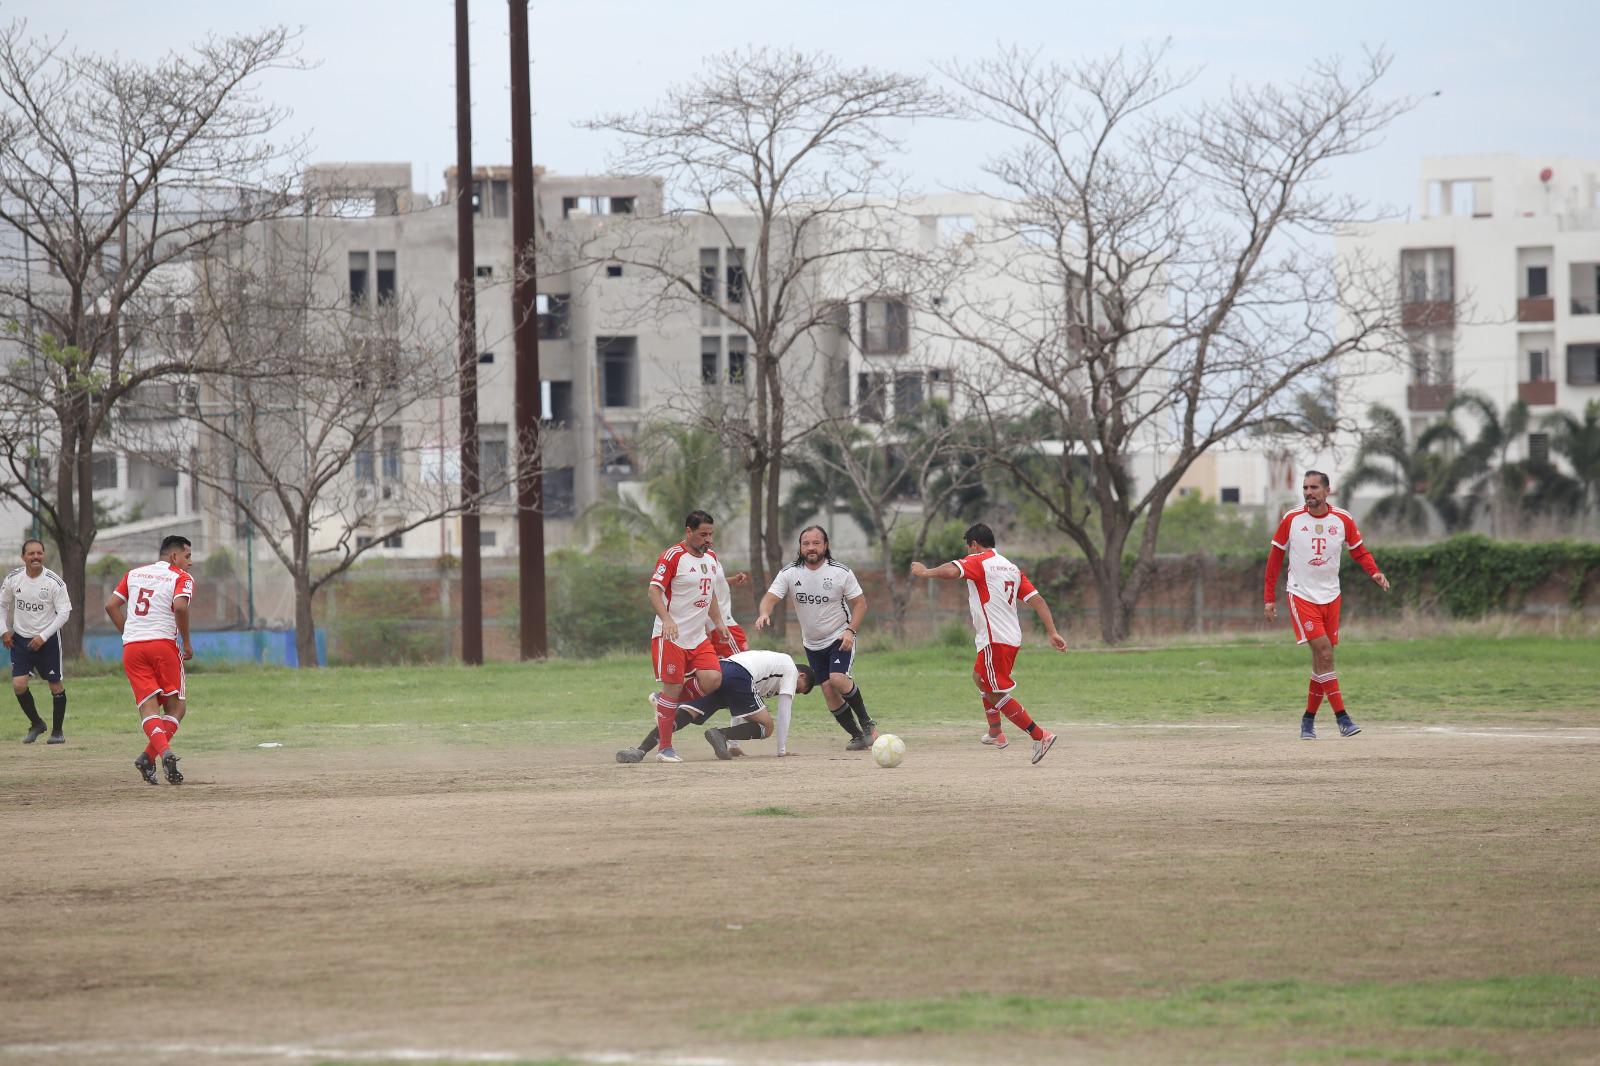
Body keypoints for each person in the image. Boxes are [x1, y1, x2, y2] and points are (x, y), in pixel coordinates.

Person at [910, 522, 1068, 764]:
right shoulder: (1011, 568)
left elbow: (952, 570)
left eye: (968, 548)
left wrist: (925, 572)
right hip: (1004, 637)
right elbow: (1038, 600)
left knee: (994, 692)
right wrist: (1052, 631)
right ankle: (996, 732)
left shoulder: (979, 560)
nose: (967, 553)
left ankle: (1040, 735)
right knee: (979, 678)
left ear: (974, 545)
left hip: (996, 639)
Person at [1263, 471, 1390, 740]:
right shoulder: (1292, 519)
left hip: (1332, 596)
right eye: (1305, 487)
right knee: (1324, 653)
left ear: (1327, 491)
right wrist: (1269, 598)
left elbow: (1358, 550)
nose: (1308, 492)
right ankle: (1342, 718)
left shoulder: (1342, 519)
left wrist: (1374, 572)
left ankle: (1308, 720)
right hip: (1301, 595)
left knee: (1322, 661)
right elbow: (1274, 559)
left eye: (1314, 487)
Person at [615, 510, 734, 764]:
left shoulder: (711, 558)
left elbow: (710, 592)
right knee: (675, 686)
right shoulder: (672, 556)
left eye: (711, 534)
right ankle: (664, 749)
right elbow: (653, 592)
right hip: (671, 636)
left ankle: (664, 701)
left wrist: (719, 622)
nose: (708, 539)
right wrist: (667, 620)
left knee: (713, 679)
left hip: (698, 637)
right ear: (688, 532)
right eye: (703, 534)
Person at [756, 525, 877, 751]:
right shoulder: (790, 573)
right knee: (828, 689)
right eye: (806, 543)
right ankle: (858, 736)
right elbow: (770, 599)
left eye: (816, 543)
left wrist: (850, 631)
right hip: (812, 644)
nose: (811, 548)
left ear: (825, 545)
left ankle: (867, 722)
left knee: (838, 679)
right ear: (800, 547)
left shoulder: (840, 572)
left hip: (839, 636)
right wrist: (764, 613)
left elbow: (860, 604)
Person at [104, 535, 196, 785]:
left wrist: (129, 633)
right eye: (187, 556)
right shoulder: (180, 577)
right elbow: (180, 607)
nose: (190, 562)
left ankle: (152, 756)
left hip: (133, 647)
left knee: (148, 707)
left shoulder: (134, 574)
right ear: (174, 556)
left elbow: (111, 605)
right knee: (176, 707)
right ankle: (157, 754)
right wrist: (186, 642)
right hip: (163, 645)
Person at [686, 650, 817, 760]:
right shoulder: (791, 670)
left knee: (689, 710)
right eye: (798, 689)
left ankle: (665, 741)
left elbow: (740, 708)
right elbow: (784, 712)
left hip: (722, 667)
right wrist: (782, 751)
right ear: (801, 675)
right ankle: (721, 734)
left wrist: (734, 746)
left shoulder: (769, 673)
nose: (794, 692)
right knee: (767, 727)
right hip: (738, 673)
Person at [2, 539, 72, 744]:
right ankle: (37, 724)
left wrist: (43, 636)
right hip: (21, 640)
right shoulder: (14, 578)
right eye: (31, 554)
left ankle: (57, 732)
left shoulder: (54, 582)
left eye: (39, 553)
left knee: (55, 685)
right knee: (18, 685)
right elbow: (2, 605)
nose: (36, 557)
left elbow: (64, 613)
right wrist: (4, 631)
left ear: (44, 555)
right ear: (23, 557)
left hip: (47, 640)